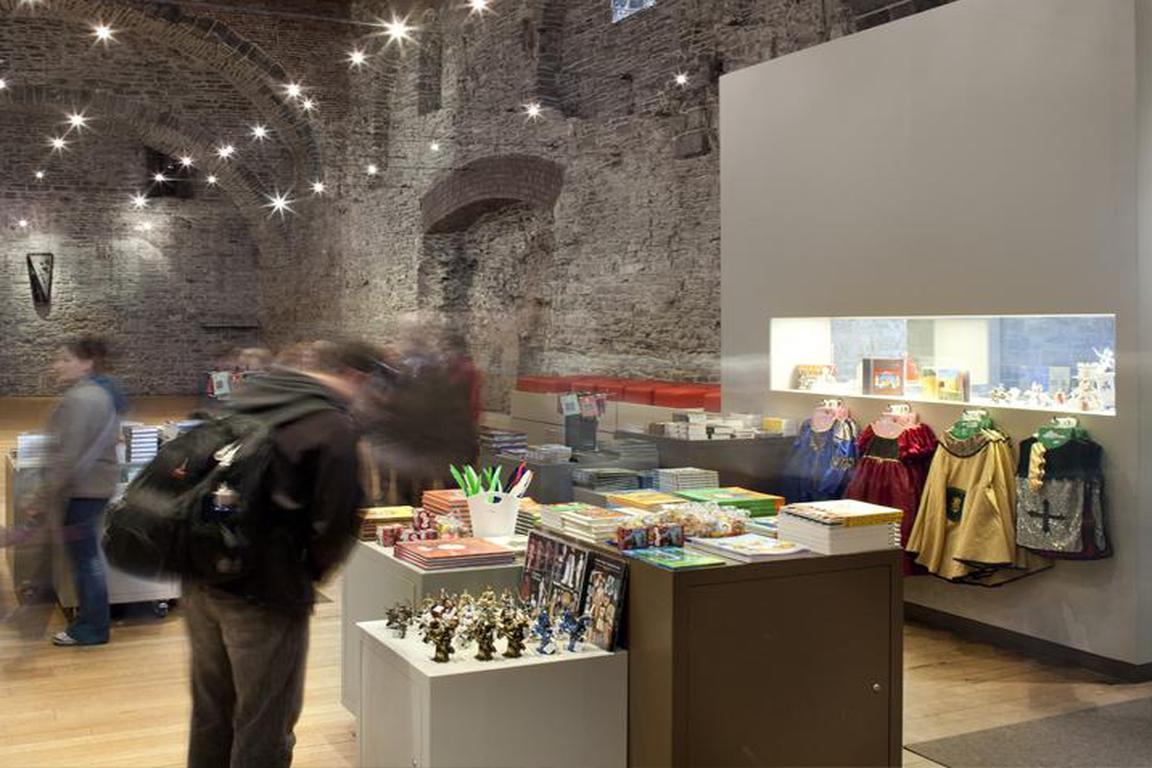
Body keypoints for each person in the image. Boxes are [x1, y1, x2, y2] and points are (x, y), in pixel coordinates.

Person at [184, 340, 379, 768]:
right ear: (354, 377)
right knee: (263, 722)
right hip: (266, 591)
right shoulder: (331, 426)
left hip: (200, 576)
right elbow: (337, 520)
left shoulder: (246, 398)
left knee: (212, 710)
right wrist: (305, 574)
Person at [32, 336, 128, 647]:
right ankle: (92, 623)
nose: (56, 365)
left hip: (82, 491)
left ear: (86, 364)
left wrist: (41, 495)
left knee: (86, 561)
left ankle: (92, 628)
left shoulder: (80, 398)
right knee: (88, 558)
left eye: (64, 359)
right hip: (95, 486)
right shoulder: (100, 394)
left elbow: (67, 456)